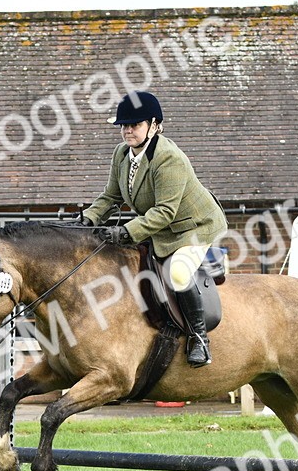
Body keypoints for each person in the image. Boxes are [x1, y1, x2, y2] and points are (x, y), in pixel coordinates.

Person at [79, 90, 227, 367]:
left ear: (155, 125)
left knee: (179, 272)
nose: (127, 130)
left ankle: (199, 339)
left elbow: (164, 212)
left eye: (134, 124)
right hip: (160, 228)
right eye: (124, 125)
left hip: (193, 228)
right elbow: (111, 196)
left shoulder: (169, 158)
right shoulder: (122, 154)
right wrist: (88, 219)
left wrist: (125, 232)